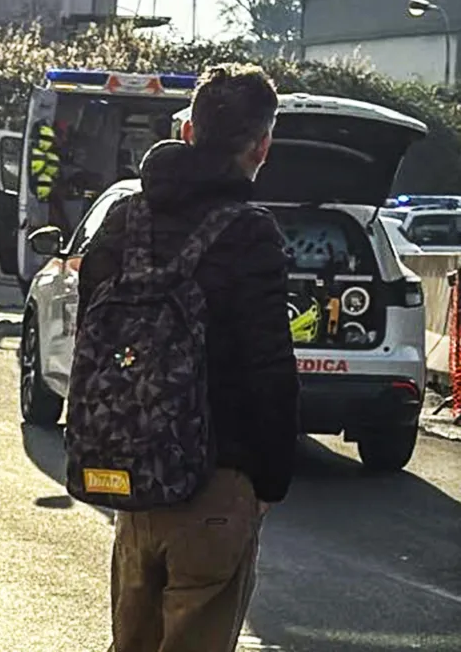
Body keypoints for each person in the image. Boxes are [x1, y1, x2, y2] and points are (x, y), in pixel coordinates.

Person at [72, 63, 299, 651]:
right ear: (262, 145)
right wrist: (268, 480)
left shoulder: (125, 219)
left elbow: (92, 335)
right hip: (215, 484)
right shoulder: (250, 233)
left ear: (189, 130)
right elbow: (270, 367)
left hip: (133, 487)